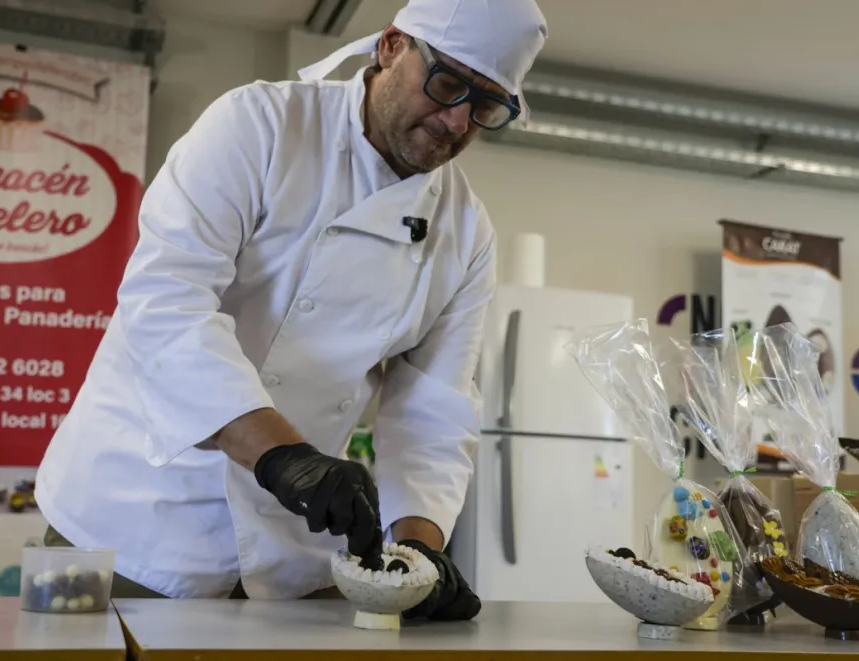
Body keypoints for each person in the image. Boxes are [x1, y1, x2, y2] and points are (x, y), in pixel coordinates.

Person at [34, 0, 547, 621]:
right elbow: (167, 301)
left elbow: (432, 408)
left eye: (486, 106)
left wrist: (417, 553)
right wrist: (283, 457)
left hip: (291, 547)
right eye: (446, 84)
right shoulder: (259, 125)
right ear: (391, 47)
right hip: (134, 515)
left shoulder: (465, 231)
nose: (456, 120)